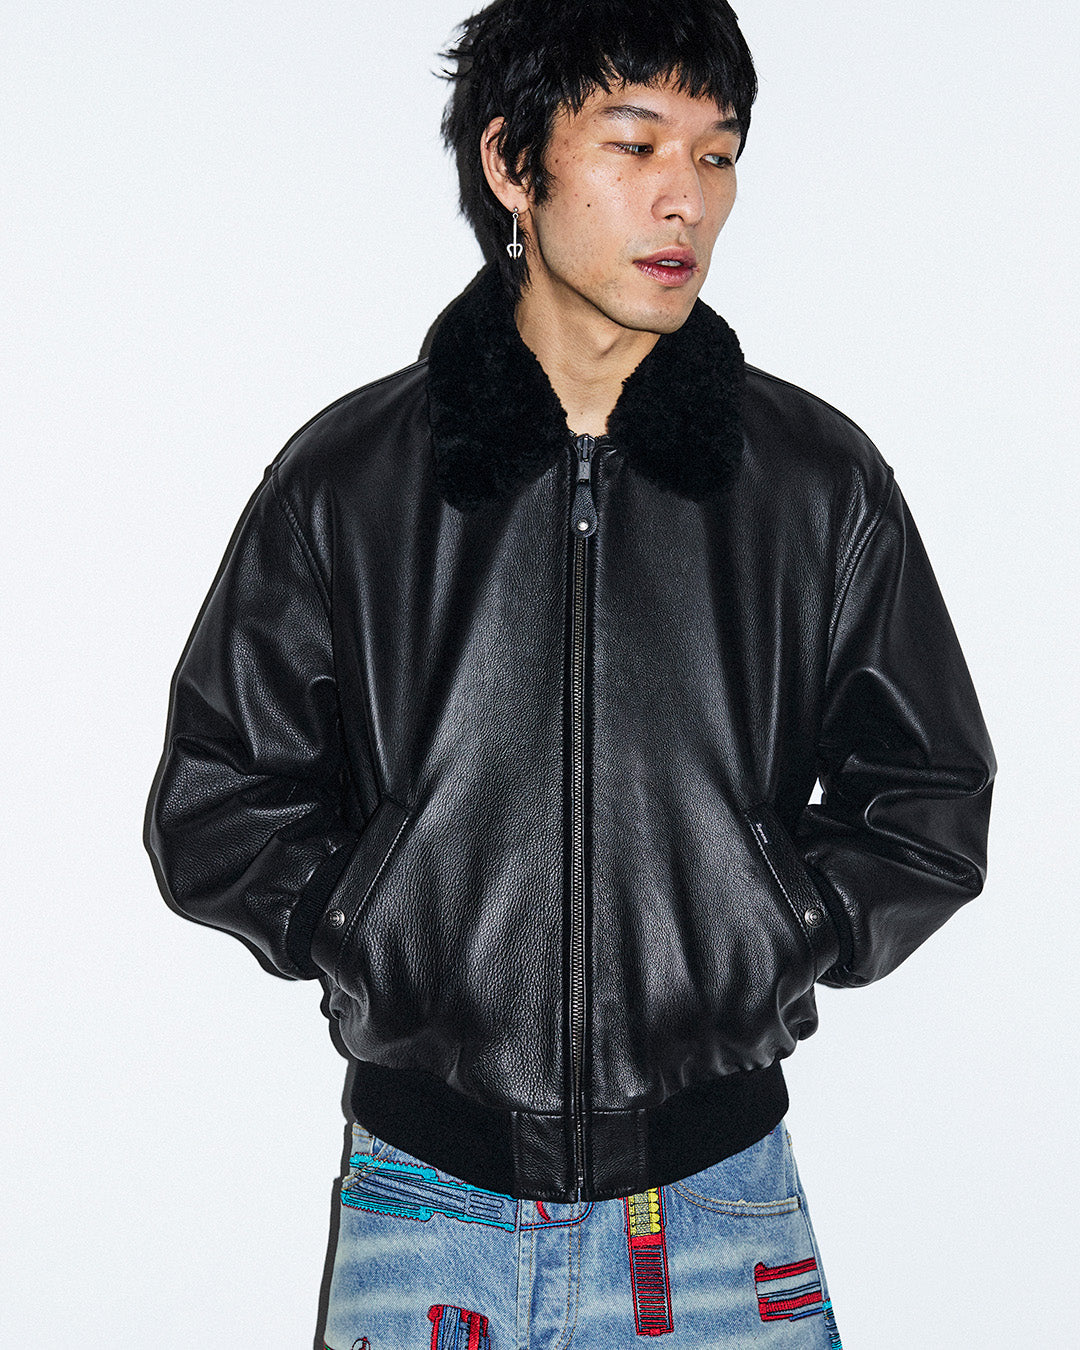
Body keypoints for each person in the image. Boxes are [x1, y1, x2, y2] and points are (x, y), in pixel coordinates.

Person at [145, 2, 995, 1345]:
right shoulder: (354, 483)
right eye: (635, 143)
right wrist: (374, 921)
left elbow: (931, 796)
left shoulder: (814, 485)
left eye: (717, 153)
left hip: (718, 1213)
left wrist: (775, 922)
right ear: (510, 164)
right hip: (427, 1210)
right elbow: (217, 801)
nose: (687, 199)